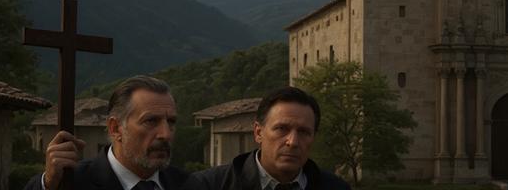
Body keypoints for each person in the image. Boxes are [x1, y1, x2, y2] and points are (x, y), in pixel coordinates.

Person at [24, 75, 189, 190]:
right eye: (151, 121)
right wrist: (49, 184)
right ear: (115, 128)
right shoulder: (72, 183)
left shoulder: (188, 184)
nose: (166, 134)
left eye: (171, 122)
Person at [186, 86, 350, 190]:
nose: (292, 142)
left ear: (313, 137)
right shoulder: (208, 185)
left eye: (304, 132)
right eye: (281, 129)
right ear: (258, 133)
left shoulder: (336, 187)